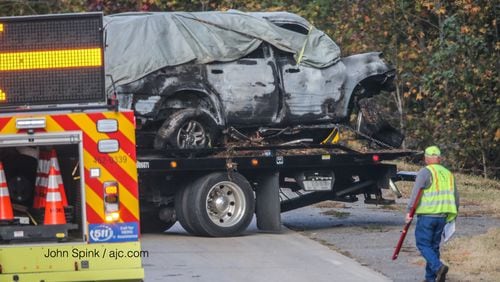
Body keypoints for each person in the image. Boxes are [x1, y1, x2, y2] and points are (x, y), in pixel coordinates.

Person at [406, 146, 459, 282]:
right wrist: (453, 215)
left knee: (423, 244)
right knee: (434, 247)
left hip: (427, 216)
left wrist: (409, 211)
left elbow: (416, 193)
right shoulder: (448, 173)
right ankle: (430, 278)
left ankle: (438, 267)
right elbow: (456, 197)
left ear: (426, 158)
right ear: (439, 158)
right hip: (442, 217)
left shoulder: (425, 172)